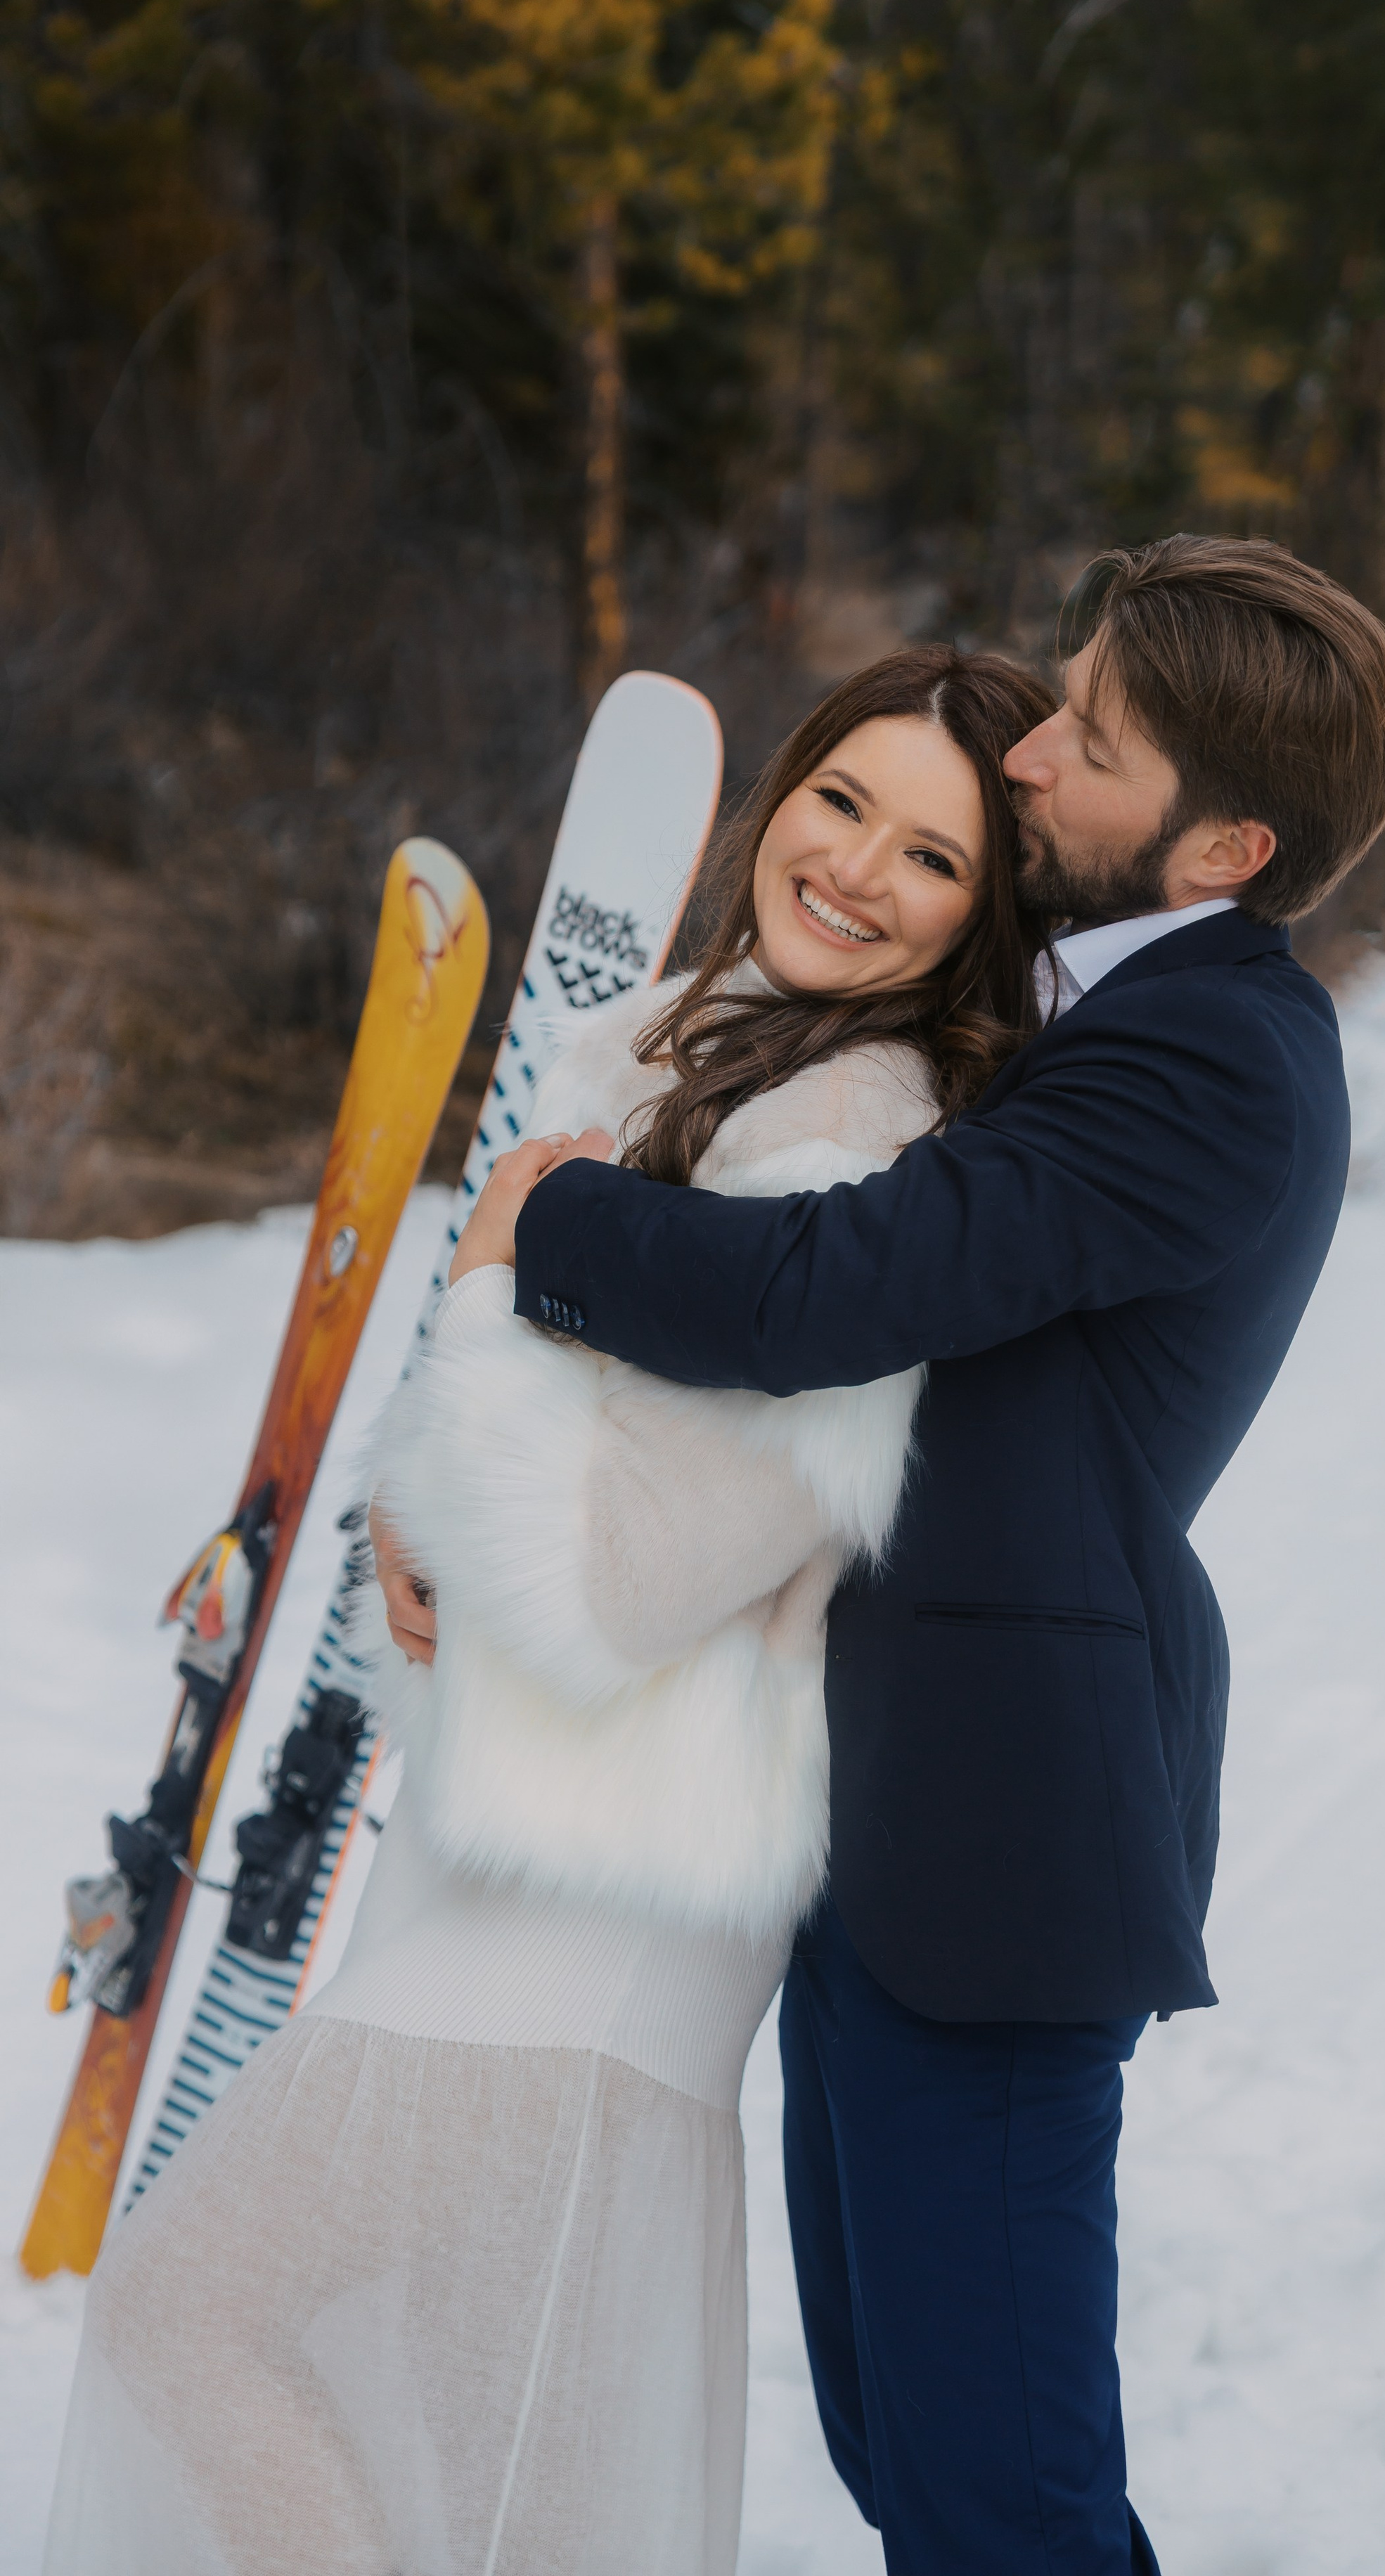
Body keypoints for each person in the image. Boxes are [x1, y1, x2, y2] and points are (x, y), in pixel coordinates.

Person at [450, 534, 1385, 2573]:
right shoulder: (1089, 1017)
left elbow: (842, 1288)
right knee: (921, 2463)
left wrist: (541, 1218)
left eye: (1098, 737)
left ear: (1223, 843)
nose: (1042, 752)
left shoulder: (1220, 1054)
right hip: (896, 1826)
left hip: (1005, 1836)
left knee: (1006, 2508)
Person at [40, 643, 1054, 2576]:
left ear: (977, 921)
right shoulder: (702, 1039)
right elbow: (516, 1467)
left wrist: (508, 1258)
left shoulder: (854, 1153)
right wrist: (429, 1473)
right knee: (470, 2415)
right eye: (842, 799)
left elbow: (621, 1575)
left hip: (610, 1881)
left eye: (932, 860)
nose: (853, 868)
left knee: (198, 2306)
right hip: (522, 1834)